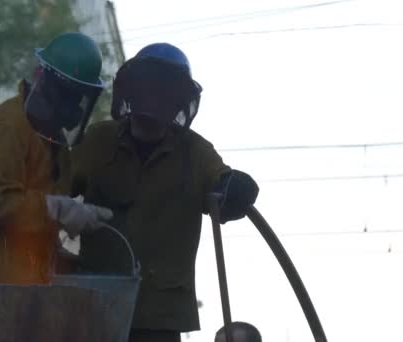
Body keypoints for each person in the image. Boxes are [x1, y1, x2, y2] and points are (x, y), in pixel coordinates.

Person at [65, 43, 259, 342]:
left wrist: (235, 187)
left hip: (159, 316)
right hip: (96, 305)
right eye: (145, 95)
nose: (149, 109)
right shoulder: (99, 141)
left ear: (177, 104)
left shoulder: (195, 153)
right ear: (129, 95)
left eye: (161, 97)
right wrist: (57, 206)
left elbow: (220, 181)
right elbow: (53, 185)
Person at [0, 32, 113, 289]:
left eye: (76, 98)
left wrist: (69, 263)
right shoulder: (5, 130)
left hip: (26, 289)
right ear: (39, 76)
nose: (68, 107)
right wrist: (55, 209)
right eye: (62, 94)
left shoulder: (52, 140)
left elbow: (34, 228)